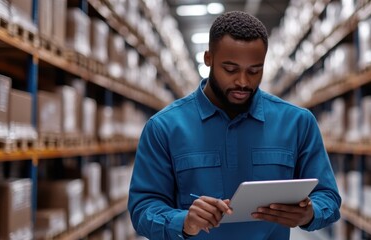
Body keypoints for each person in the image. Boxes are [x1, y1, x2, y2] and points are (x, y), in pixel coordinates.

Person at [128, 11, 341, 240]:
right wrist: (183, 222)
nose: (242, 81)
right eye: (230, 69)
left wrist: (309, 213)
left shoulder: (298, 123)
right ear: (208, 59)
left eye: (254, 71)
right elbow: (143, 209)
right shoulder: (164, 127)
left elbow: (328, 197)